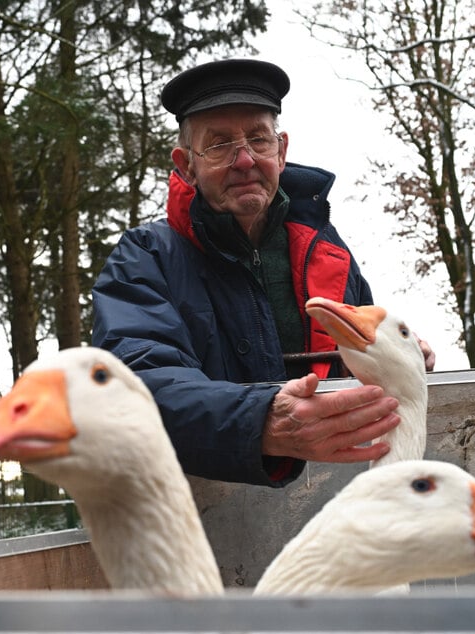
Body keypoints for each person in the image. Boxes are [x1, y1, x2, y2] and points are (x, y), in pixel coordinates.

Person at [91, 58, 435, 487]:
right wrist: (259, 421)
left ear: (282, 150)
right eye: (218, 145)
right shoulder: (144, 258)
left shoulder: (327, 252)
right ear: (186, 165)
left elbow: (357, 356)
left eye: (259, 139)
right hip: (196, 515)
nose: (244, 160)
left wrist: (400, 357)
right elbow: (134, 385)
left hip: (334, 499)